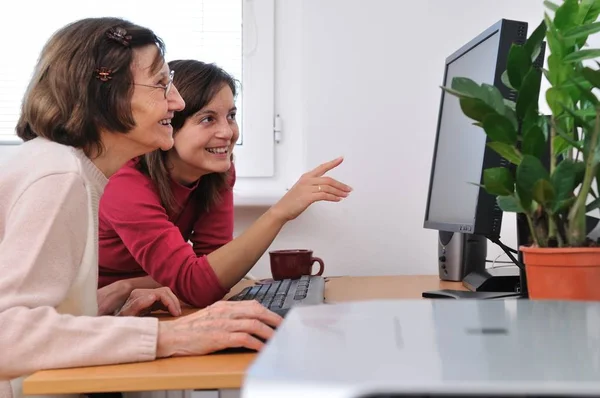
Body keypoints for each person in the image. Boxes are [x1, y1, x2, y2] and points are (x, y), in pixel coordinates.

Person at [0, 18, 282, 398]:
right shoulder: (59, 174)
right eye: (162, 84)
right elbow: (8, 337)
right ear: (106, 95)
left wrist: (102, 305)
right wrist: (169, 335)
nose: (177, 102)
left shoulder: (68, 169)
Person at [97, 59, 352, 308]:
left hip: (155, 301)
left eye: (231, 115)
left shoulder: (217, 174)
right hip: (102, 313)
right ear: (168, 125)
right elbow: (199, 285)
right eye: (208, 119)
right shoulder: (125, 184)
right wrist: (278, 213)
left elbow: (216, 270)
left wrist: (130, 285)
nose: (228, 132)